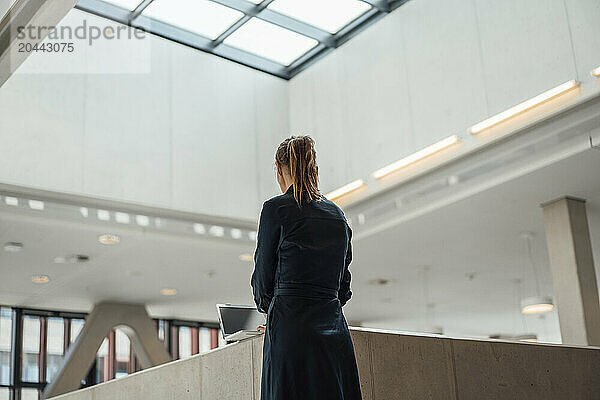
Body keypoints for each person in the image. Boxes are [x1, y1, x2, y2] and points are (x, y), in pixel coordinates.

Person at [251, 135, 362, 400]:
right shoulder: (337, 216)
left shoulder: (276, 210)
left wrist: (275, 314)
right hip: (333, 334)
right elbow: (342, 289)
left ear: (279, 168)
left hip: (290, 333)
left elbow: (263, 280)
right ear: (314, 168)